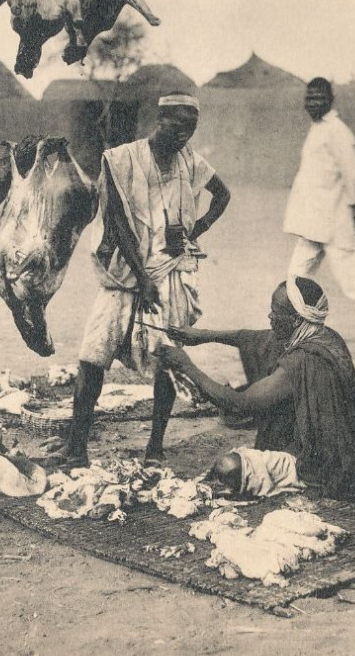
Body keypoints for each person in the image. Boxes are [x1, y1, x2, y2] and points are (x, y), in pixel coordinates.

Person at [58, 92, 231, 467]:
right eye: (178, 125)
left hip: (169, 271)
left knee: (166, 361)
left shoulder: (190, 161)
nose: (184, 134)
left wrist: (196, 230)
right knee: (93, 356)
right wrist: (141, 277)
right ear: (160, 118)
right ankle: (76, 446)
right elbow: (118, 223)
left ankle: (155, 445)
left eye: (192, 128)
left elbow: (222, 195)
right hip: (124, 274)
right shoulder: (121, 159)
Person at [162, 276, 355, 509]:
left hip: (320, 468)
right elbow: (251, 337)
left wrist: (186, 366)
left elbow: (239, 403)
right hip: (339, 452)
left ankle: (293, 479)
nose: (269, 317)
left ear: (294, 320)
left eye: (276, 312)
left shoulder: (301, 361)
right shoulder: (326, 336)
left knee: (228, 467)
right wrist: (203, 336)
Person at [283, 77, 355, 369]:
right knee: (293, 281)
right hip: (313, 224)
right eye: (309, 98)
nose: (313, 103)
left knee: (352, 285)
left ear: (331, 99)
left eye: (319, 98)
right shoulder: (318, 129)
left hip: (334, 226)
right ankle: (293, 343)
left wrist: (352, 215)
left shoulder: (337, 131)